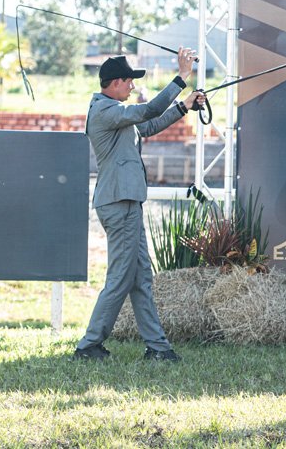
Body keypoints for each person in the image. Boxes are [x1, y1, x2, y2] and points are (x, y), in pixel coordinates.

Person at [74, 48, 205, 361]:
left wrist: (184, 106)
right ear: (115, 83)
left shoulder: (116, 113)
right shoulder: (106, 111)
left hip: (126, 202)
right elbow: (148, 111)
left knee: (140, 277)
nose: (133, 86)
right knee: (122, 277)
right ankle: (89, 345)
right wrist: (181, 78)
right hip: (119, 203)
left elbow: (147, 126)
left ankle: (157, 347)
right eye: (129, 81)